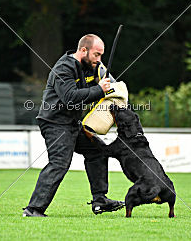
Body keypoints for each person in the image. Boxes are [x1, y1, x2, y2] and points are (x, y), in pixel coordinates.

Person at [23, 34, 124, 217]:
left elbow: (112, 85)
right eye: (96, 55)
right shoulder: (63, 68)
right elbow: (70, 97)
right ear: (83, 50)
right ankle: (34, 209)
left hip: (72, 123)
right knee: (60, 162)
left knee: (97, 150)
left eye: (101, 55)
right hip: (54, 122)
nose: (99, 60)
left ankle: (100, 201)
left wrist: (116, 91)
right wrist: (99, 89)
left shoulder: (92, 67)